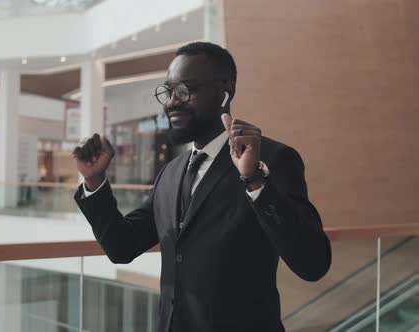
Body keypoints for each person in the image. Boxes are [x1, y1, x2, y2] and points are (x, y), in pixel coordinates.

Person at [72, 42, 331, 331]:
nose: (172, 102)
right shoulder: (170, 173)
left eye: (185, 90)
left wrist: (255, 180)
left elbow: (313, 263)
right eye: (168, 91)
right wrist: (94, 181)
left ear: (225, 92)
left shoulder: (272, 160)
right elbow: (122, 246)